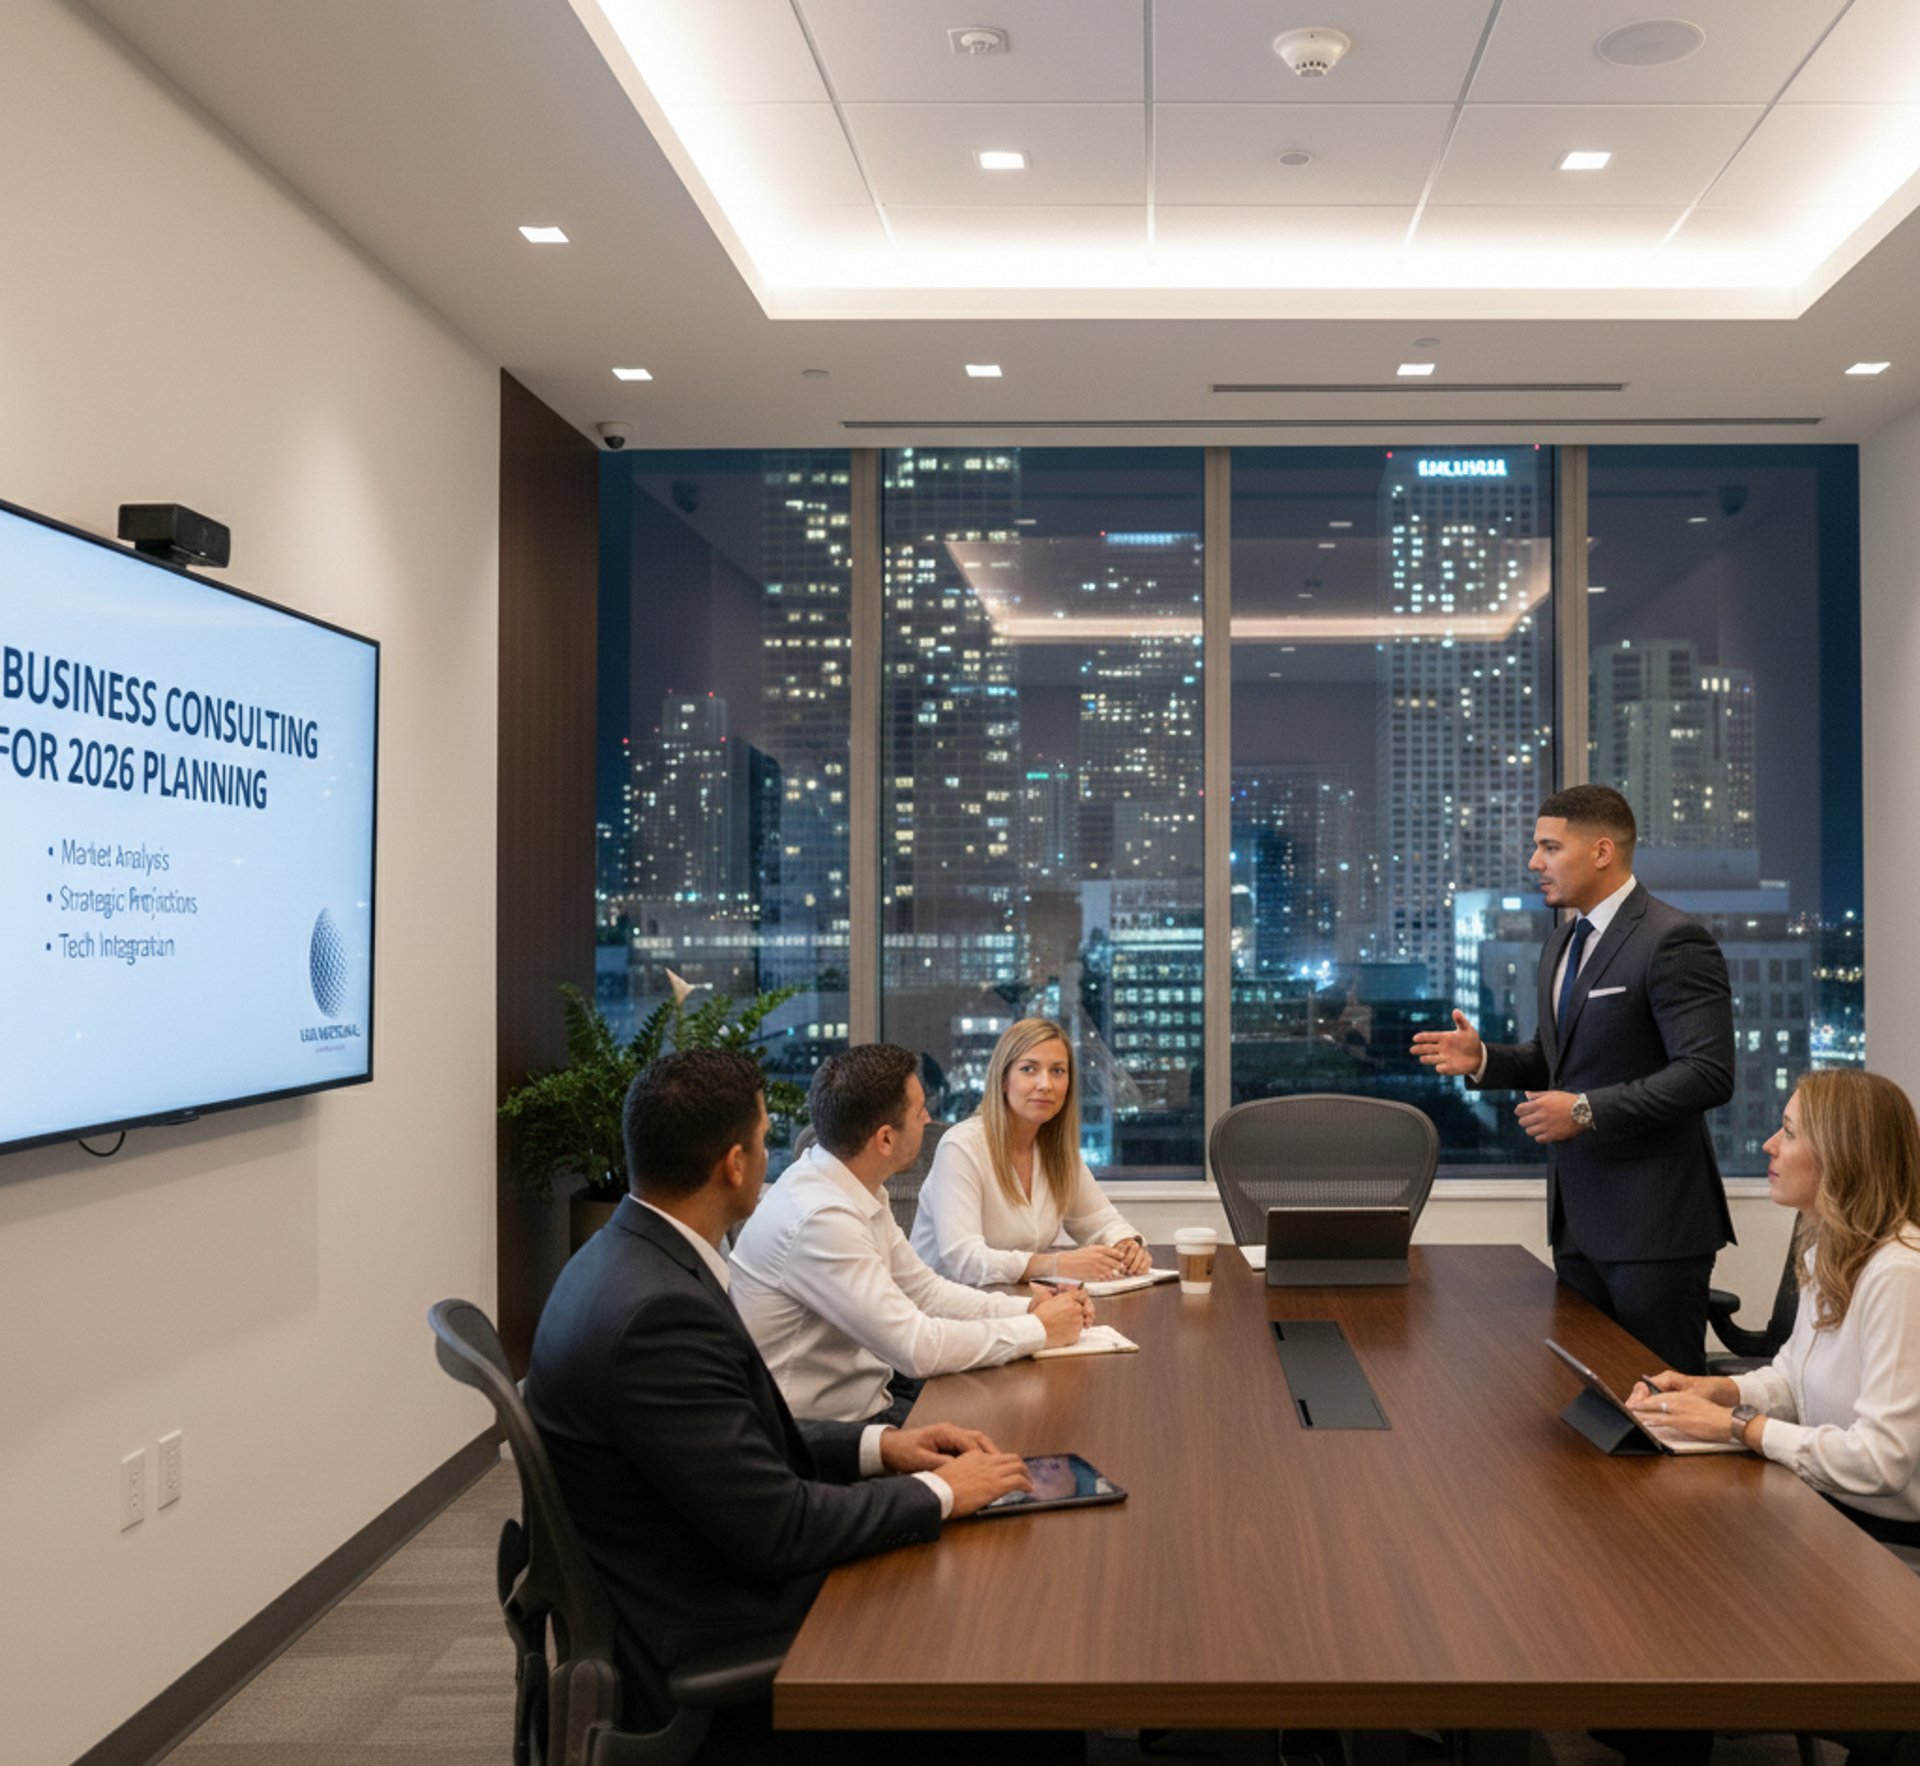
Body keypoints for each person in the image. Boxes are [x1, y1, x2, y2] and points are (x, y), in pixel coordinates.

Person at [523, 1048, 1034, 1740]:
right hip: (717, 1619)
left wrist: (882, 1445)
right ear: (734, 1163)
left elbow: (735, 1444)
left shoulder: (628, 1259)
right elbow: (781, 1529)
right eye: (766, 1139)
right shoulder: (657, 1315)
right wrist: (943, 1493)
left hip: (699, 1552)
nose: (776, 1155)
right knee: (1002, 1640)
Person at [1411, 784, 1736, 1372]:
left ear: (1602, 852)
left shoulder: (1672, 940)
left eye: (1549, 847)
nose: (1535, 863)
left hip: (1654, 1228)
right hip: (1577, 1225)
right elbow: (1555, 1058)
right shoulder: (1564, 942)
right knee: (1591, 1403)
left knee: (1660, 1412)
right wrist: (1484, 1057)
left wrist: (1583, 1110)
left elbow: (1707, 1074)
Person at [730, 1042, 1093, 1425]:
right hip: (821, 1438)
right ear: (885, 1139)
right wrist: (1038, 1329)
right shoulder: (821, 1218)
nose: (928, 1119)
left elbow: (923, 1291)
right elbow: (917, 1348)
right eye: (920, 1111)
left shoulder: (854, 1184)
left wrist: (1029, 1307)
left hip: (874, 1399)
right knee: (1020, 1431)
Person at [1628, 1069, 1920, 1542]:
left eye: (1788, 1131)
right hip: (1820, 1504)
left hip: (1879, 1541)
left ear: (1841, 1155)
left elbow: (1878, 1461)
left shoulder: (1900, 1273)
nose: (1769, 1145)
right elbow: (1790, 1378)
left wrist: (1740, 1427)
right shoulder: (1829, 1251)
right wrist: (1716, 1392)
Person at [912, 1016, 1152, 1287]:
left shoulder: (1056, 1151)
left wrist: (1126, 1244)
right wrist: (1056, 1264)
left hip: (1013, 1303)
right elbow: (964, 1261)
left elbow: (1098, 1219)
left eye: (1058, 1071)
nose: (1045, 1084)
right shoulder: (962, 1147)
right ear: (1003, 1080)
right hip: (945, 1314)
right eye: (1029, 1069)